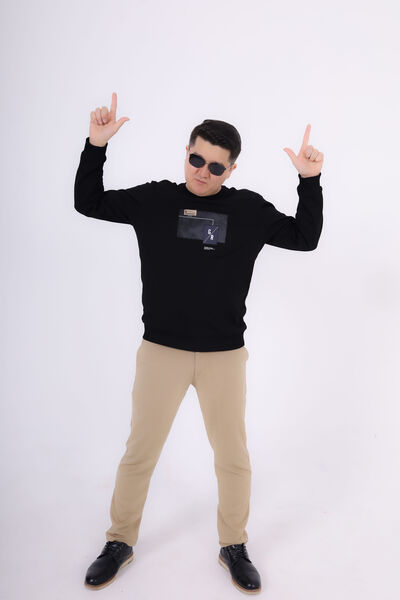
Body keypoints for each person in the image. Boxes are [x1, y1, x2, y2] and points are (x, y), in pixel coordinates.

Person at [74, 92, 324, 594]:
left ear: (230, 170)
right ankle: (119, 541)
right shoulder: (154, 200)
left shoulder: (248, 210)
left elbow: (305, 237)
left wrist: (309, 181)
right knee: (139, 453)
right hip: (160, 352)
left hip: (223, 357)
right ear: (186, 152)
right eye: (196, 159)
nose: (202, 172)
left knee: (233, 457)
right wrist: (95, 146)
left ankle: (233, 545)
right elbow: (89, 202)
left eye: (215, 166)